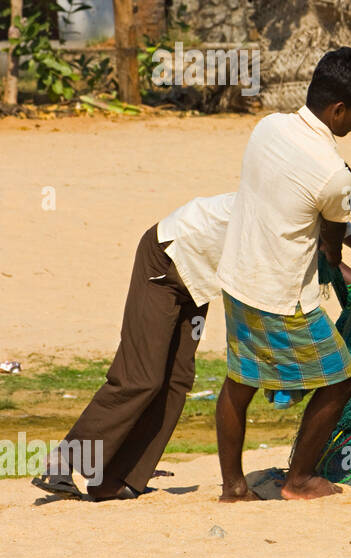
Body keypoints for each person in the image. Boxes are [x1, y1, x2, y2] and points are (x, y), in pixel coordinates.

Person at [214, 47, 351, 502]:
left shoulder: (268, 127)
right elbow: (331, 242)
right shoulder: (333, 173)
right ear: (338, 109)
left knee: (240, 380)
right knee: (343, 378)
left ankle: (233, 487)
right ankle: (300, 479)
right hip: (282, 295)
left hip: (237, 276)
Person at [31, 193, 235, 501]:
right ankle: (62, 462)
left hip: (200, 281)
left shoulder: (308, 220)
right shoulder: (281, 205)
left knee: (178, 379)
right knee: (142, 376)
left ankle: (114, 479)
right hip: (168, 257)